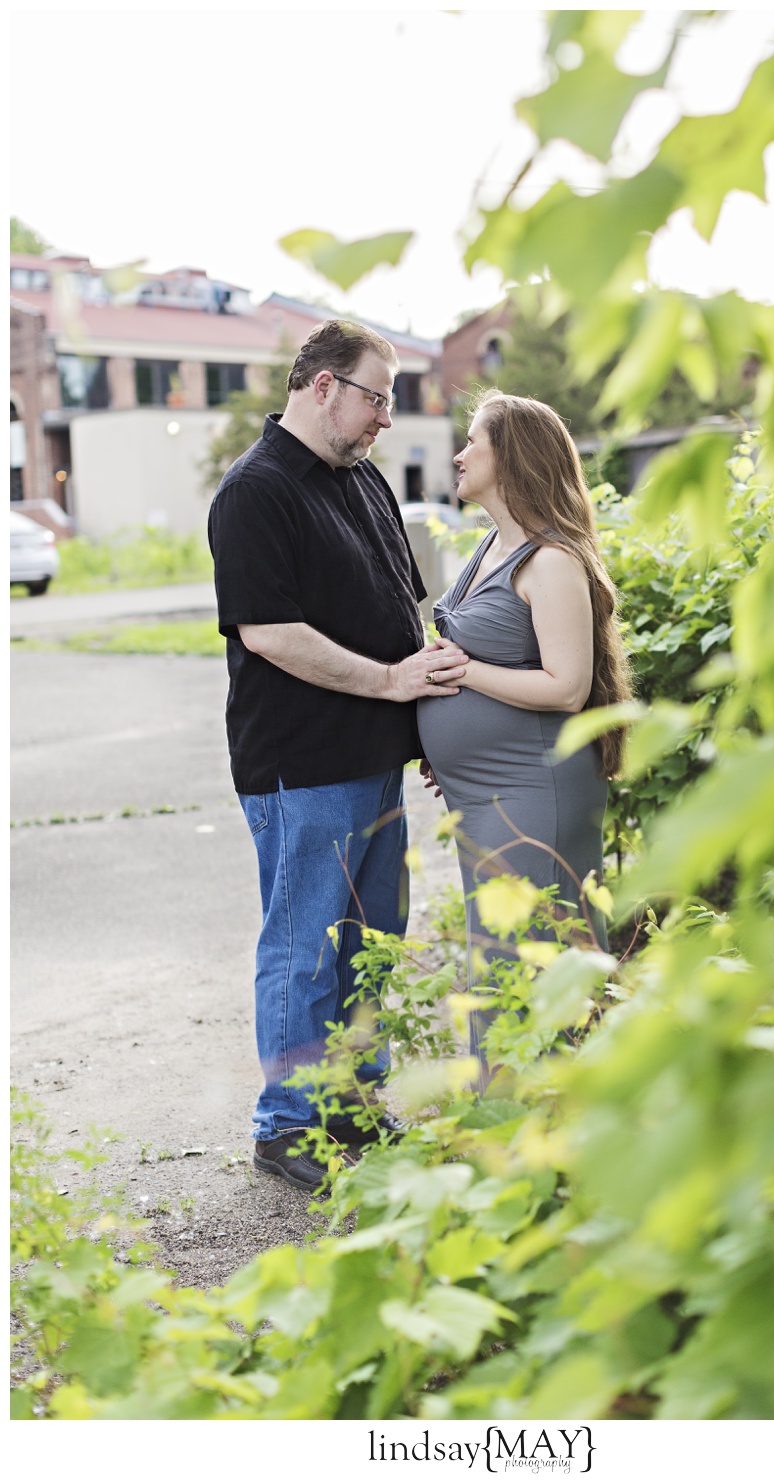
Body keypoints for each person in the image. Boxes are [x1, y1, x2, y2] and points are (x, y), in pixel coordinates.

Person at [208, 319, 467, 1189]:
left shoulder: (364, 484)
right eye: (377, 397)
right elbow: (273, 634)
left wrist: (425, 724)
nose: (386, 419)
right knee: (306, 944)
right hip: (302, 767)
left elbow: (405, 614)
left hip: (377, 760)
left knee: (372, 941)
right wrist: (394, 688)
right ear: (323, 387)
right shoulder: (254, 493)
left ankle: (354, 1104)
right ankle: (288, 1127)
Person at [417, 390, 631, 1085]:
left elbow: (566, 687)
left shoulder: (553, 562)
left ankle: (559, 1132)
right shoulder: (490, 546)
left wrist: (465, 672)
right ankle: (510, 1130)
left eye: (473, 438)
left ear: (510, 456)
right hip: (484, 794)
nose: (458, 452)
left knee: (536, 959)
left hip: (535, 791)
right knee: (499, 958)